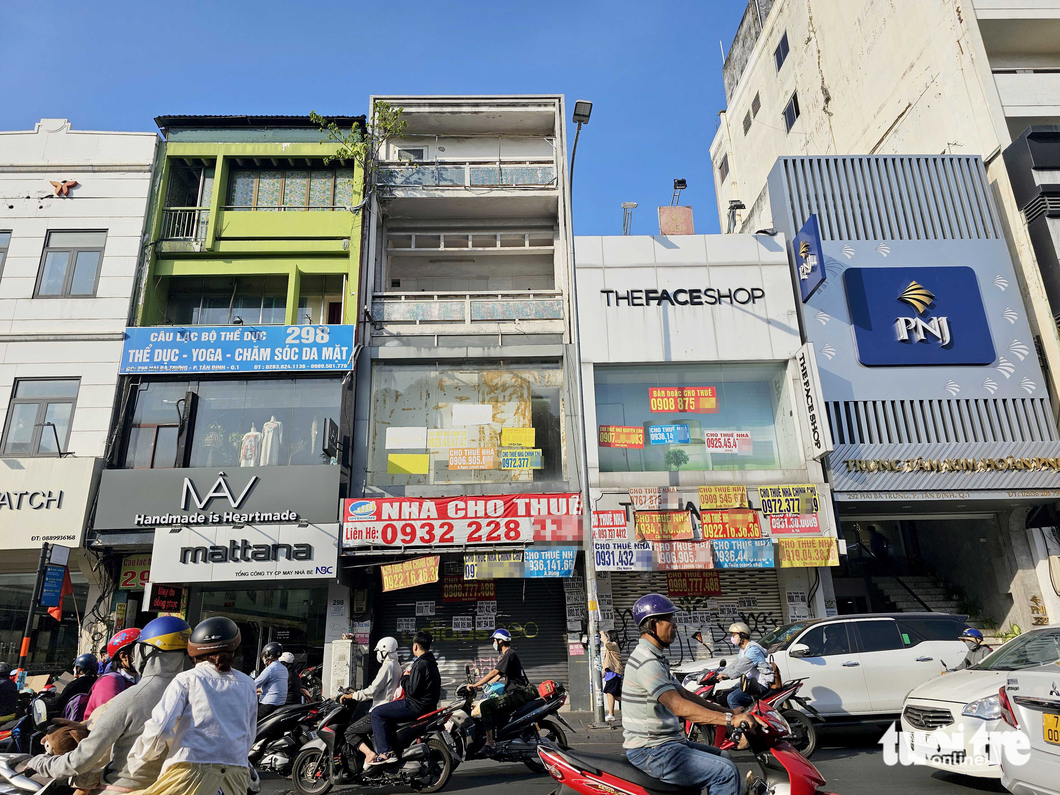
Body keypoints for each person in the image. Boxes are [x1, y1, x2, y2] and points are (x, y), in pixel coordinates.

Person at [26, 616, 193, 794]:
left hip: (123, 788)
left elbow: (80, 761)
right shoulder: (198, 696)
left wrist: (38, 762)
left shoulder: (132, 697)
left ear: (145, 652)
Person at [623, 594, 753, 795]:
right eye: (669, 620)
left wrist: (730, 712)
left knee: (724, 757)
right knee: (725, 773)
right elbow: (679, 707)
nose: (674, 625)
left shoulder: (656, 658)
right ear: (651, 624)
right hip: (652, 751)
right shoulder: (647, 661)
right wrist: (730, 721)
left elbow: (685, 694)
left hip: (667, 744)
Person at [125, 616, 258, 795]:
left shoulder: (187, 679)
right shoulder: (248, 683)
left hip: (191, 776)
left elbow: (161, 728)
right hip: (236, 778)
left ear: (193, 651)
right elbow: (248, 734)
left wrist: (140, 758)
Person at [366, 630, 440, 768]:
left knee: (377, 713)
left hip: (415, 705)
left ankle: (386, 752)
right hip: (427, 705)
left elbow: (412, 690)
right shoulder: (431, 662)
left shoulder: (420, 664)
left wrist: (406, 677)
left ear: (415, 646)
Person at [341, 637, 401, 771]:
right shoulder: (396, 665)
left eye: (378, 651)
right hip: (388, 707)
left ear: (384, 651)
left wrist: (353, 695)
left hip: (380, 709)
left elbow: (373, 690)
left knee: (350, 732)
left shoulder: (387, 666)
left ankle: (369, 754)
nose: (377, 654)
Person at [471, 628, 534, 750]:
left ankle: (489, 742)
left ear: (500, 641)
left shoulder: (509, 654)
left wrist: (473, 685)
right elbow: (499, 675)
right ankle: (500, 736)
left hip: (516, 694)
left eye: (494, 640)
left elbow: (494, 673)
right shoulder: (510, 655)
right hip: (516, 693)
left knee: (486, 706)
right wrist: (480, 687)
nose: (493, 643)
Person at [84, 628, 142, 719]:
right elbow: (110, 721)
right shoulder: (109, 683)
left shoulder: (139, 679)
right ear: (124, 657)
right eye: (141, 651)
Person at [719, 621, 774, 710]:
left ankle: (743, 721)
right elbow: (734, 665)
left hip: (759, 684)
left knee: (732, 698)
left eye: (734, 635)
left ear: (742, 635)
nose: (732, 638)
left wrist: (727, 675)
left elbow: (739, 669)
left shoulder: (753, 651)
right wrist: (718, 673)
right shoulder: (743, 650)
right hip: (750, 682)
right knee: (723, 694)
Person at [54, 653, 99, 721]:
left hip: (73, 720)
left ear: (79, 668)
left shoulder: (75, 684)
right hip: (92, 719)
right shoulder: (98, 682)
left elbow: (60, 702)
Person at [254, 642, 288, 720]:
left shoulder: (270, 669)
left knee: (251, 720)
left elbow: (254, 684)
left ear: (268, 655)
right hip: (280, 704)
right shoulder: (284, 668)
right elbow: (274, 685)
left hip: (268, 705)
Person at [601, 630, 624, 722]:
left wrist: (602, 634)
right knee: (614, 695)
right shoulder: (611, 648)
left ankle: (611, 714)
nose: (607, 637)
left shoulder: (614, 645)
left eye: (608, 635)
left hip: (614, 673)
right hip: (611, 673)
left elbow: (606, 642)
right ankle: (634, 703)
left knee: (610, 693)